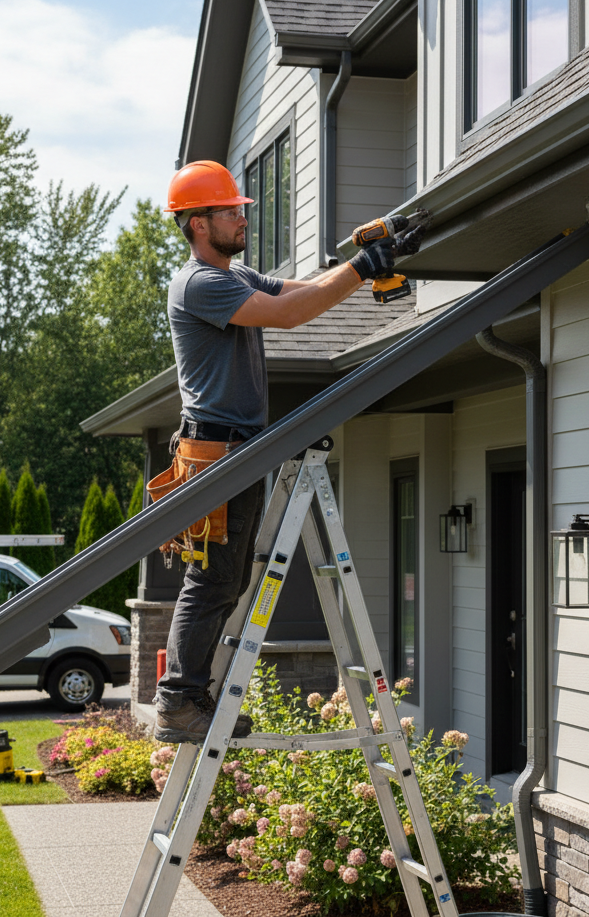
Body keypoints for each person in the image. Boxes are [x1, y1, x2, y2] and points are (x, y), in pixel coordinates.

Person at [152, 159, 424, 743]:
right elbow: (292, 315)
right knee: (212, 581)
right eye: (230, 212)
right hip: (215, 452)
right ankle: (177, 700)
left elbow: (297, 291)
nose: (241, 218)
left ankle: (190, 694)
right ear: (198, 224)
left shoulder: (233, 275)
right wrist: (361, 267)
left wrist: (366, 264)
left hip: (234, 448)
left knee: (224, 580)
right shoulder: (201, 283)